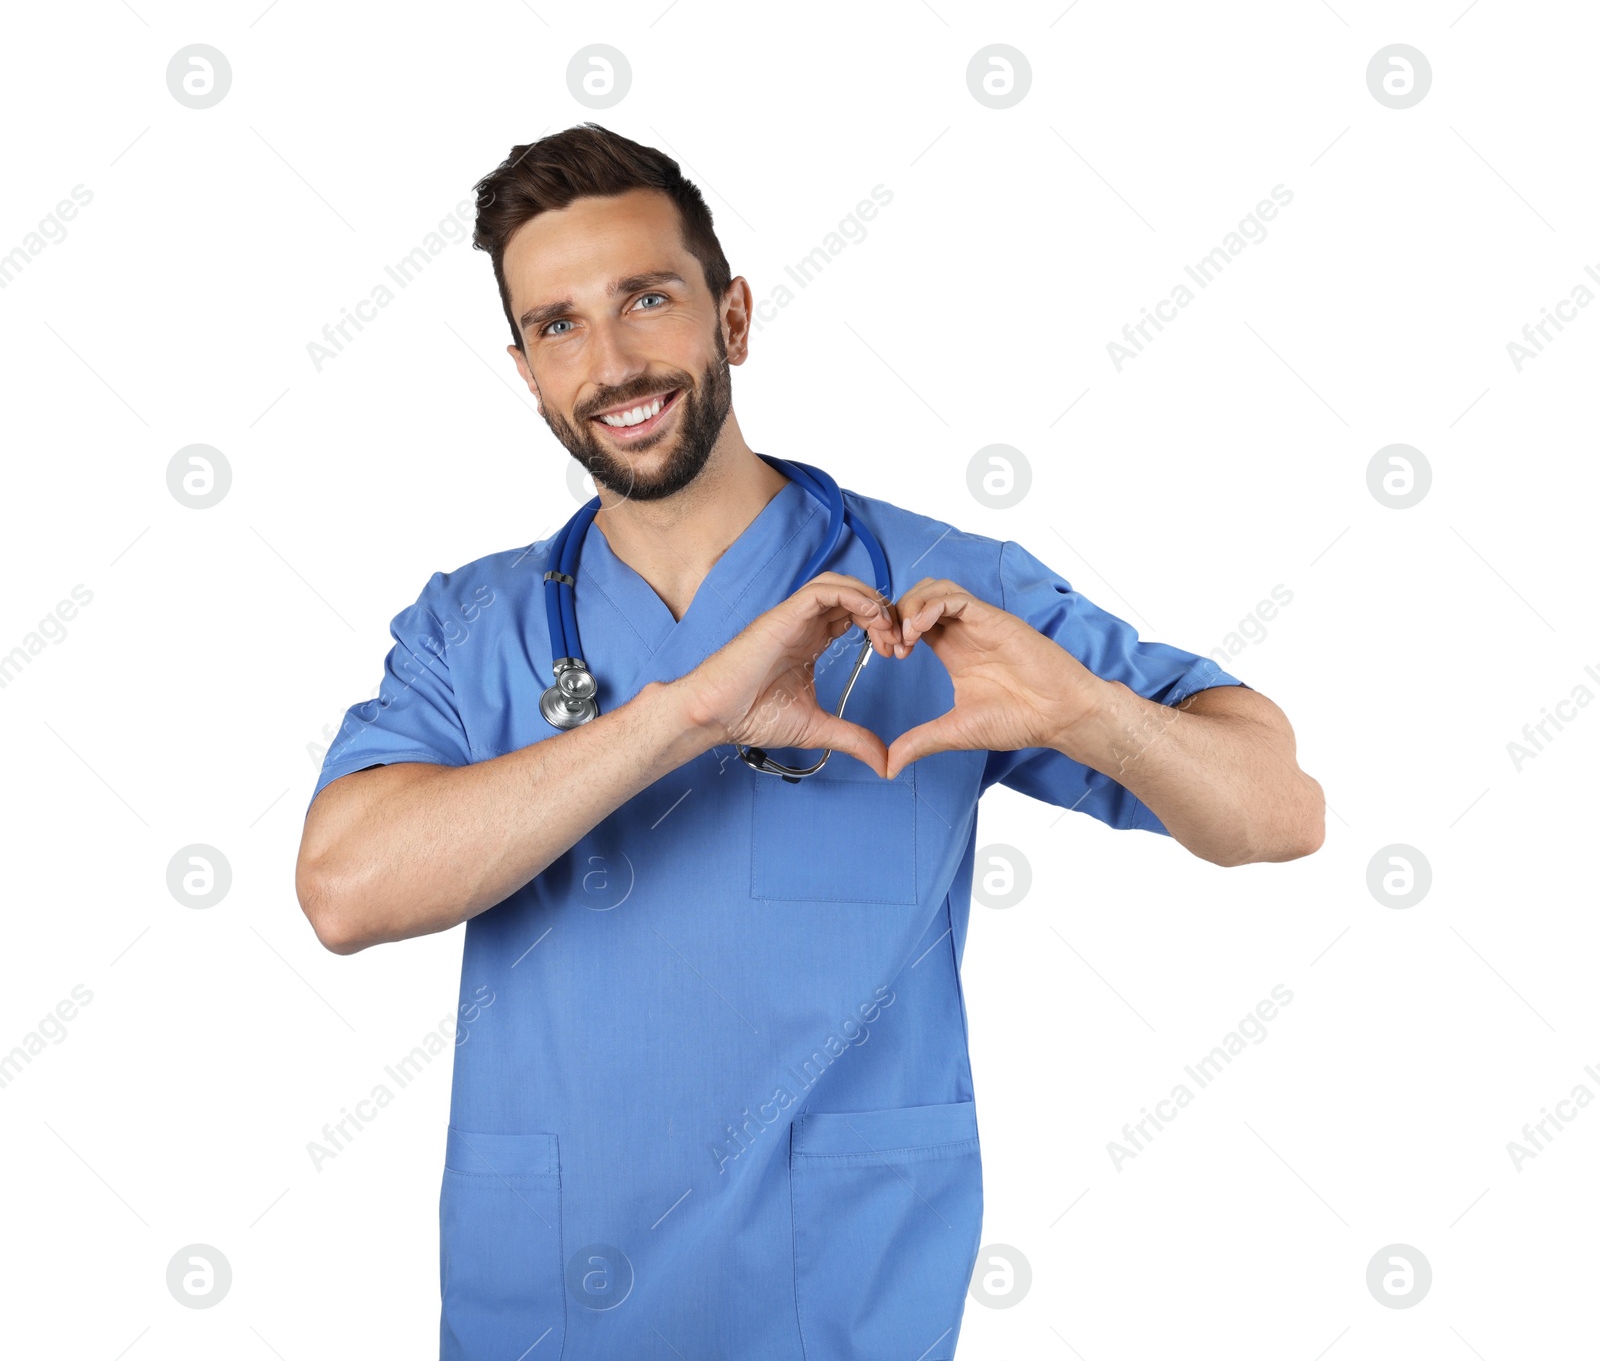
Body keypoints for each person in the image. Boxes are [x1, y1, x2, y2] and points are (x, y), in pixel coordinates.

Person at [295, 122, 1324, 1361]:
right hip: (549, 1303)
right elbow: (345, 890)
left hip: (839, 1298)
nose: (612, 362)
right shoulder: (475, 626)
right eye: (558, 324)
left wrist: (1081, 710)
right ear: (523, 369)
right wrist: (686, 713)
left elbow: (1279, 807)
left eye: (647, 300)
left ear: (730, 316)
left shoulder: (938, 589)